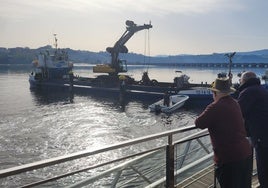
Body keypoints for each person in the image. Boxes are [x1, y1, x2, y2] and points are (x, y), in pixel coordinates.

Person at [195, 77, 252, 188]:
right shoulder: (235, 103)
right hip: (245, 153)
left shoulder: (215, 107)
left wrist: (211, 106)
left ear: (215, 92)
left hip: (229, 159)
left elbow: (199, 123)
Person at [237, 71, 268, 188]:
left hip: (262, 136)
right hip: (264, 133)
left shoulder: (247, 92)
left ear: (244, 81)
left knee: (263, 167)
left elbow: (238, 112)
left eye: (240, 80)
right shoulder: (261, 89)